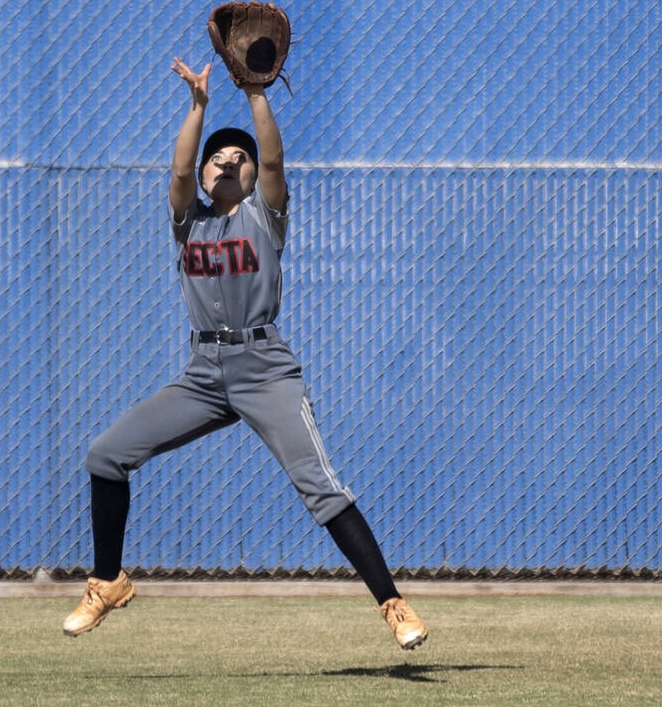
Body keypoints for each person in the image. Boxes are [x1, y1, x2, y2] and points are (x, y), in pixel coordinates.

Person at [61, 56, 428, 651]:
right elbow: (179, 174)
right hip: (203, 374)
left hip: (264, 370)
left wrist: (257, 95)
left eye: (239, 160)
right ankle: (107, 582)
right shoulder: (190, 225)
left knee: (321, 487)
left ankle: (393, 603)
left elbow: (275, 159)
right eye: (217, 158)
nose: (227, 162)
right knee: (106, 455)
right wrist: (199, 109)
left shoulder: (265, 216)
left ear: (255, 179)